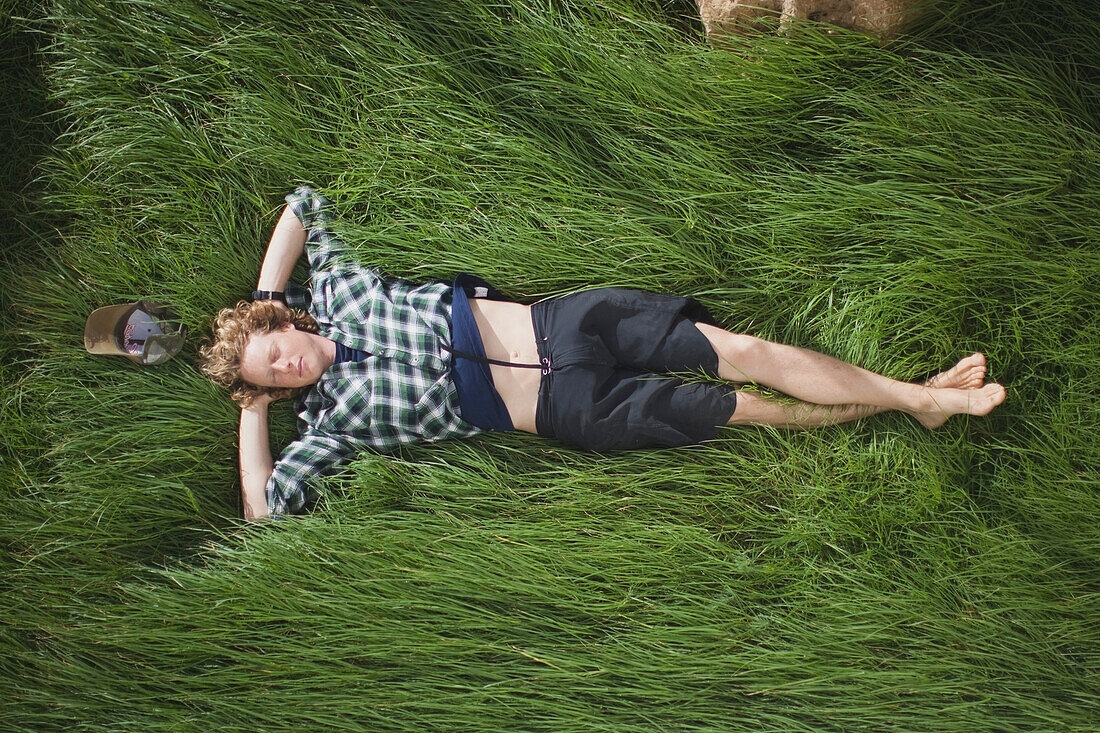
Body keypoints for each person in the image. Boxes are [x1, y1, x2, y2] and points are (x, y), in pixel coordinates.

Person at [199, 186, 1006, 521]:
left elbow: (305, 202)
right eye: (276, 379)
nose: (291, 368)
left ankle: (919, 397)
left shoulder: (338, 288)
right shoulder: (331, 424)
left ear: (288, 323)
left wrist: (263, 293)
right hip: (566, 410)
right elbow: (265, 510)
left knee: (749, 351)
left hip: (566, 326)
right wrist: (251, 406)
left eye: (278, 353)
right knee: (748, 410)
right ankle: (924, 399)